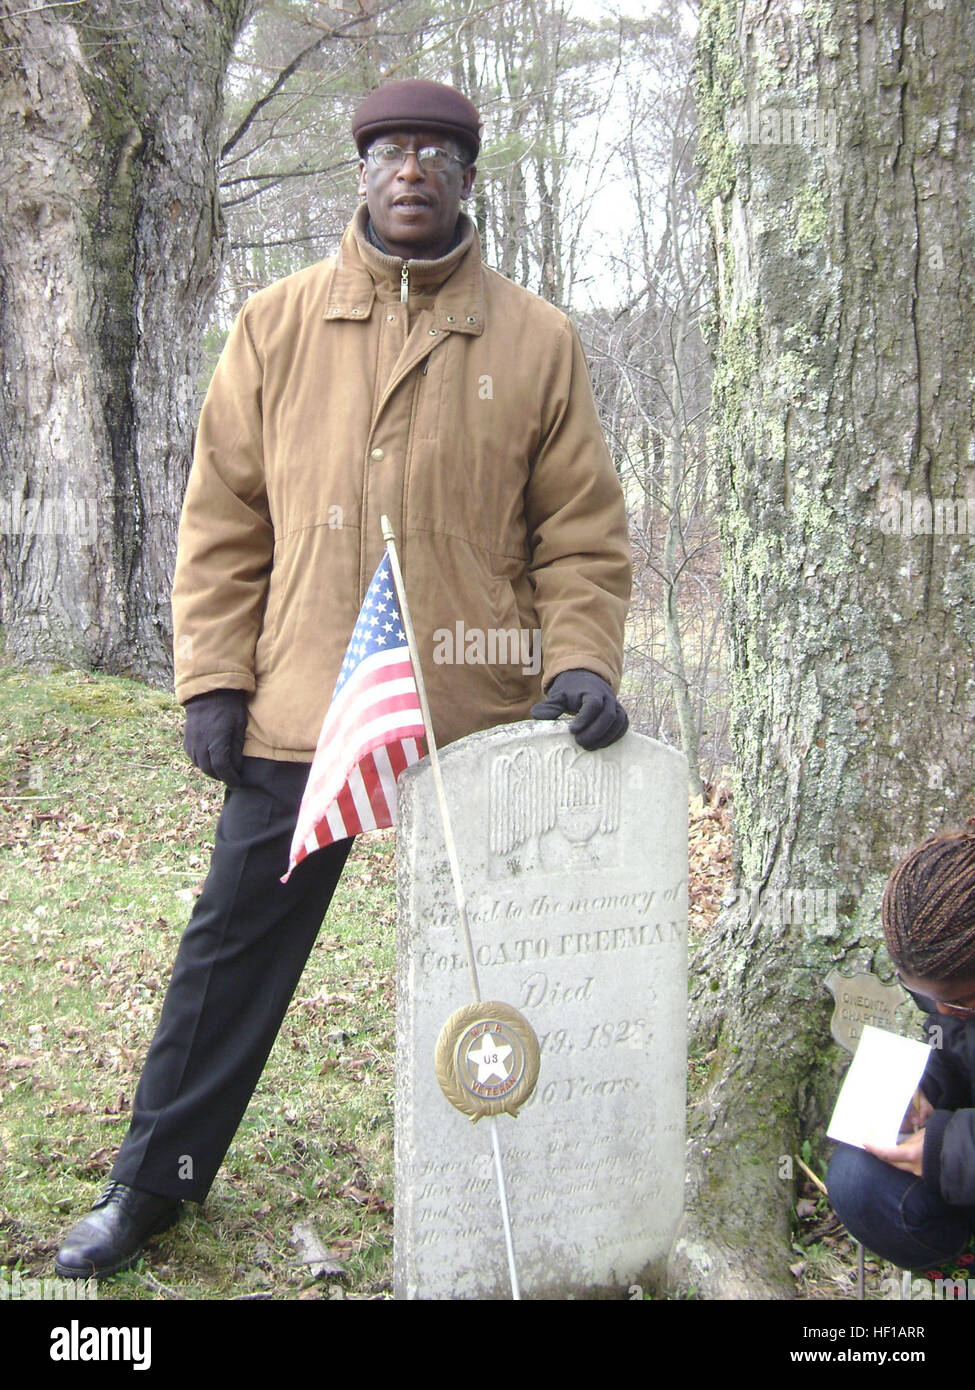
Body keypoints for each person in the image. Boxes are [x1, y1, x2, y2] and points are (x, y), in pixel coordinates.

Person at [54, 79, 632, 1279]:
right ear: (361, 174)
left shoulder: (536, 341)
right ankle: (151, 1179)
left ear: (469, 180)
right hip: (306, 695)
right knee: (230, 949)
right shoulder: (274, 324)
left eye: (435, 154)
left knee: (508, 956)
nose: (411, 171)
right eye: (388, 152)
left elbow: (578, 532)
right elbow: (221, 519)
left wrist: (578, 661)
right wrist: (213, 676)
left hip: (484, 708)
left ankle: (535, 1165)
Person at [827, 826, 975, 1276]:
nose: (945, 1010)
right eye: (926, 996)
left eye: (962, 1001)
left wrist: (951, 1150)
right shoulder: (947, 945)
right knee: (859, 1179)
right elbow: (958, 1045)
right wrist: (925, 1083)